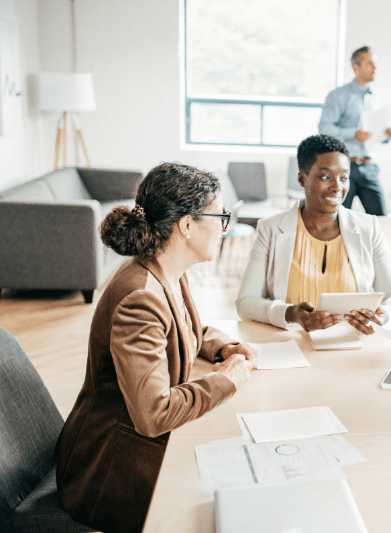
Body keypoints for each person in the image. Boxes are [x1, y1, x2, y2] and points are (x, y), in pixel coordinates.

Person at [55, 162, 257, 533]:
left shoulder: (162, 270)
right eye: (220, 216)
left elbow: (179, 327)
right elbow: (153, 414)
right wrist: (224, 382)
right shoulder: (140, 298)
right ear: (187, 225)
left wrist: (221, 347)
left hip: (131, 451)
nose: (224, 227)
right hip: (109, 472)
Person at [236, 134, 391, 334]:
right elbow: (245, 303)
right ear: (302, 178)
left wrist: (384, 314)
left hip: (352, 344)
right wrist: (291, 314)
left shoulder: (368, 228)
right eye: (325, 177)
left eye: (344, 178)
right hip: (292, 344)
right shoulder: (271, 229)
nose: (337, 187)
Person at [319, 45, 391, 216]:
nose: (375, 68)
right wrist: (353, 133)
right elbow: (324, 128)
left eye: (375, 64)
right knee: (338, 220)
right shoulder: (338, 95)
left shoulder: (374, 98)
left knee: (381, 219)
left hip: (369, 167)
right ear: (356, 67)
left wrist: (386, 135)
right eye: (370, 64)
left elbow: (373, 135)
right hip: (344, 168)